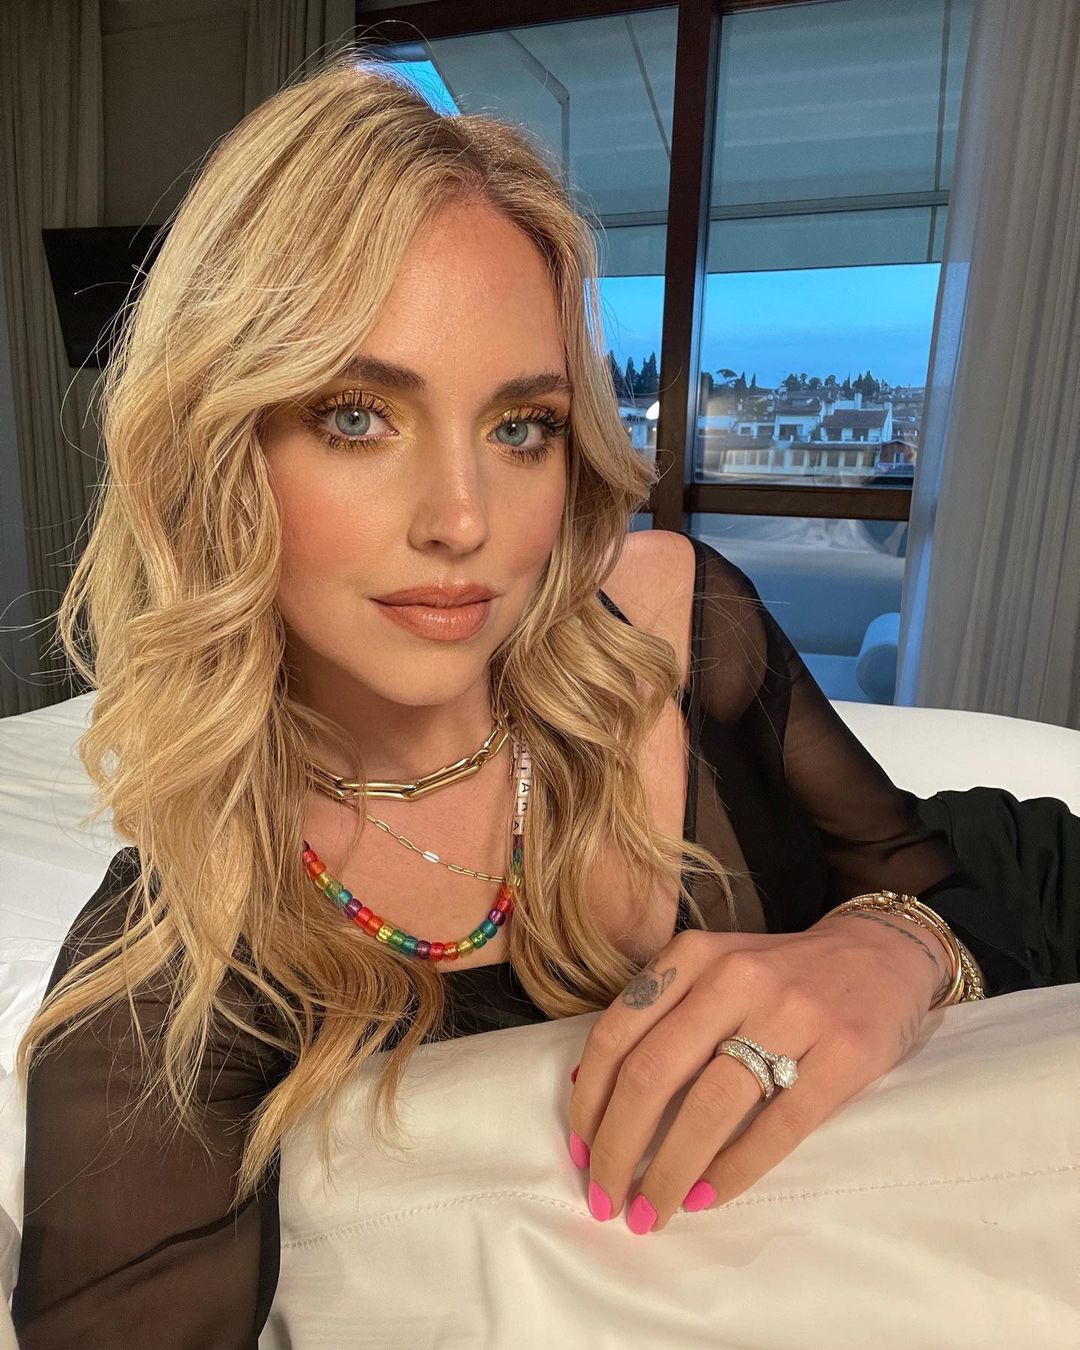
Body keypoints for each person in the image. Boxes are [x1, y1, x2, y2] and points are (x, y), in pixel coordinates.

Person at [11, 49, 1078, 1347]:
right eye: (357, 416)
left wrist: (893, 949)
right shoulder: (162, 994)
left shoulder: (676, 623)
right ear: (217, 449)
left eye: (521, 427)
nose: (464, 520)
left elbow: (973, 888)